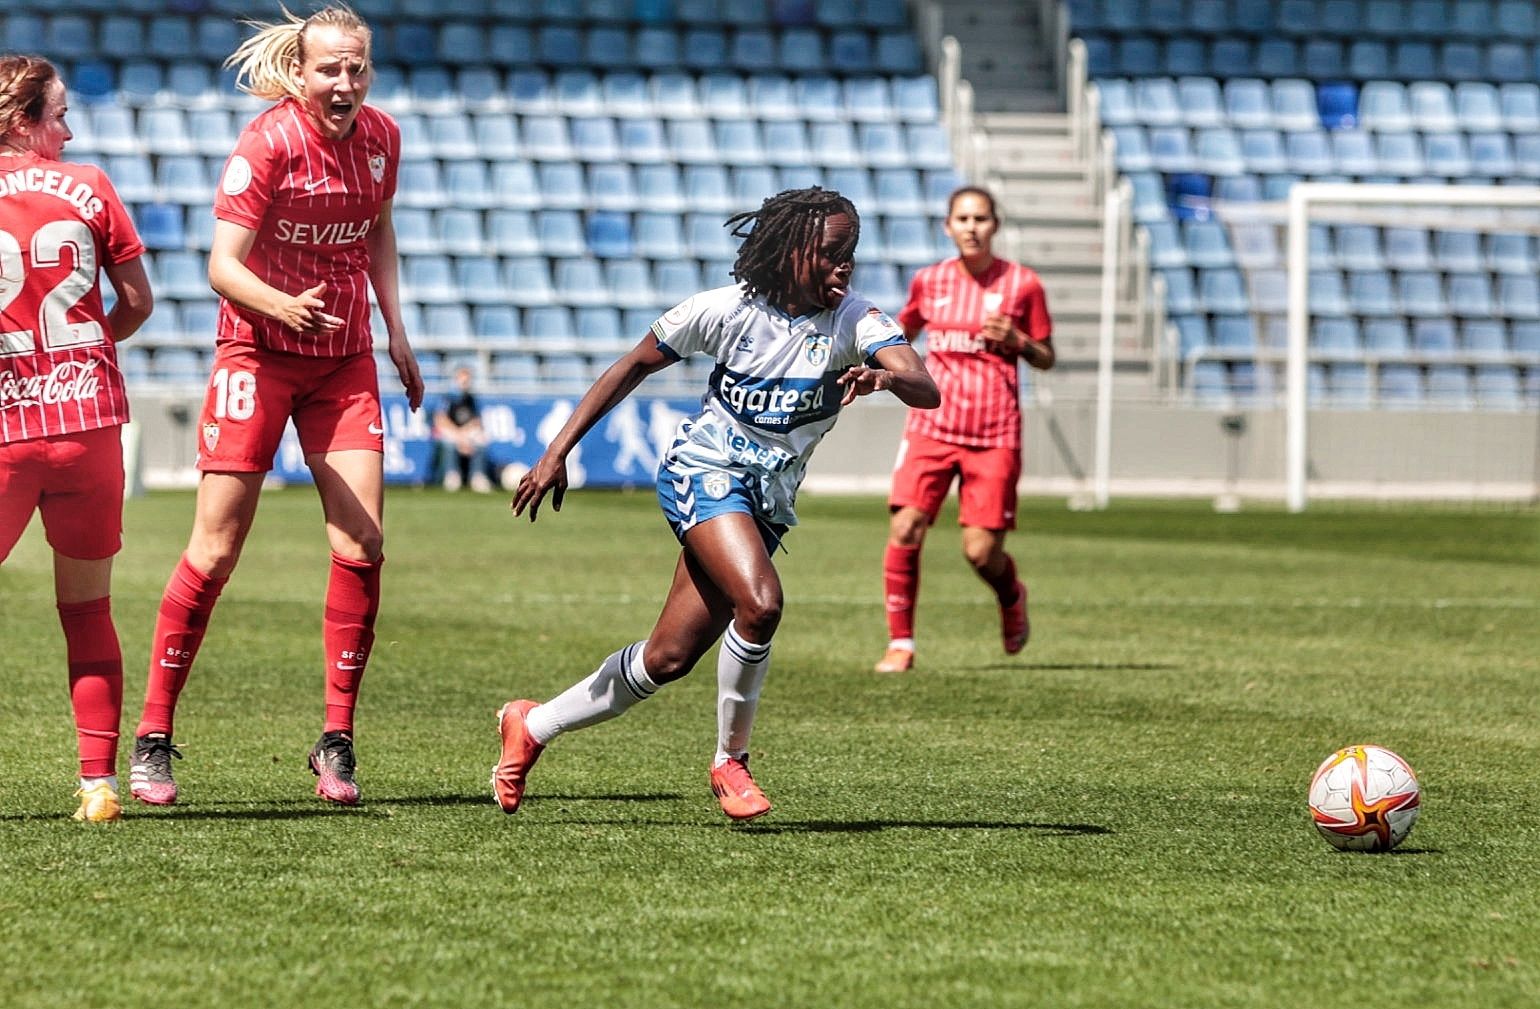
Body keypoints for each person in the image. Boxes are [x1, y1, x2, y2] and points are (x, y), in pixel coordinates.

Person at [494, 187, 939, 821]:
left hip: (766, 499)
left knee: (667, 659)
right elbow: (630, 366)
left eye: (853, 252)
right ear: (793, 252)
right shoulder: (724, 310)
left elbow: (927, 389)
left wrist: (886, 376)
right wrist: (555, 451)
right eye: (834, 252)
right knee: (760, 604)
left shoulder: (855, 321)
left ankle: (531, 725)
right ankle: (731, 762)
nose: (847, 264)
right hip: (703, 469)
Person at [128, 5, 423, 808]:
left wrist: (397, 330)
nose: (345, 82)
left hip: (343, 363)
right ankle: (152, 736)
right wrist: (283, 305)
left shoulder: (384, 139)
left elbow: (380, 232)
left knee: (363, 544)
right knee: (216, 548)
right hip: (256, 355)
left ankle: (336, 739)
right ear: (299, 72)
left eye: (357, 67)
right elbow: (222, 266)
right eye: (330, 68)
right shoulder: (266, 143)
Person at [0, 55, 154, 822]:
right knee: (87, 611)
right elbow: (136, 302)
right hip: (88, 424)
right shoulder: (91, 185)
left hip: (5, 429)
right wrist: (85, 347)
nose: (69, 128)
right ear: (25, 120)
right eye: (59, 114)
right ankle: (97, 783)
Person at [874, 185, 1055, 673]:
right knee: (906, 526)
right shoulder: (929, 282)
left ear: (995, 225)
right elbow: (898, 334)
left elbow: (1046, 355)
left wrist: (1018, 340)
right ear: (948, 227)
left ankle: (1011, 594)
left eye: (981, 219)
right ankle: (901, 644)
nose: (971, 227)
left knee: (980, 553)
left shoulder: (1023, 285)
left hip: (995, 432)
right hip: (933, 426)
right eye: (963, 219)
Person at [433, 364, 491, 492]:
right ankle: (452, 475)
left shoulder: (472, 398)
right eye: (462, 378)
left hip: (466, 432)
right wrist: (459, 436)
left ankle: (477, 476)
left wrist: (464, 435)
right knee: (448, 442)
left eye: (467, 379)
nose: (465, 382)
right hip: (451, 431)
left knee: (481, 440)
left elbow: (477, 421)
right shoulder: (448, 397)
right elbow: (440, 420)